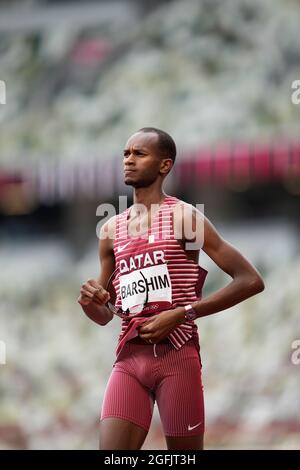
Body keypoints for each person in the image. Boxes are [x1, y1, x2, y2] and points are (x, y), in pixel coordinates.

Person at [78, 127, 264, 450]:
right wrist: (89, 301)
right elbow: (105, 314)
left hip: (177, 356)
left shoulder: (184, 219)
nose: (129, 160)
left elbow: (250, 280)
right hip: (129, 359)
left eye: (139, 154)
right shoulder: (110, 230)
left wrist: (183, 313)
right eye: (125, 154)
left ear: (165, 166)